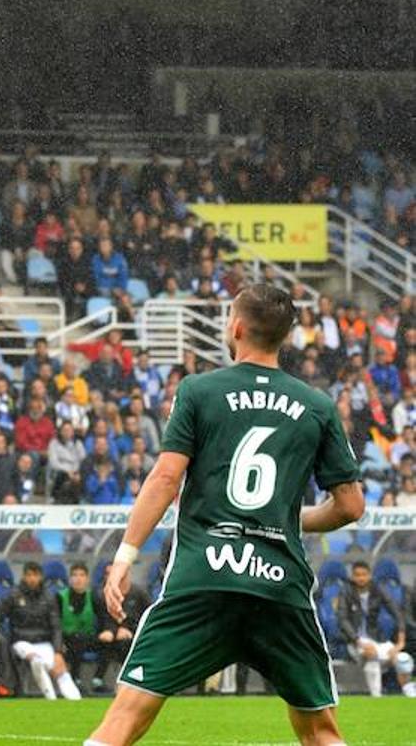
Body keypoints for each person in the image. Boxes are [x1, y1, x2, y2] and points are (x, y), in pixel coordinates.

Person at [88, 284, 366, 746]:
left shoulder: (199, 390)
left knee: (125, 719)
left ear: (235, 327)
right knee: (320, 732)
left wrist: (125, 555)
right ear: (286, 337)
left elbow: (163, 479)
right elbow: (351, 506)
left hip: (203, 577)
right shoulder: (317, 405)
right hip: (279, 584)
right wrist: (286, 519)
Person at [0, 561, 82, 701]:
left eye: (35, 575)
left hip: (44, 642)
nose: (32, 579)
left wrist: (58, 652)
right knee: (36, 661)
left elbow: (56, 627)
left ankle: (76, 701)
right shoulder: (13, 596)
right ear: (24, 576)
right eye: (29, 575)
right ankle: (51, 699)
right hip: (20, 641)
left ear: (41, 577)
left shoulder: (49, 598)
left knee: (60, 670)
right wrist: (7, 640)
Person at [336, 560, 414, 698]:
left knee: (404, 659)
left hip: (376, 638)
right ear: (352, 576)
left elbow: (397, 613)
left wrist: (400, 643)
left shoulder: (377, 590)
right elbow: (343, 620)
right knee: (371, 655)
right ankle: (376, 696)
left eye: (364, 574)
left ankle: (408, 692)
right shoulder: (346, 592)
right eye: (357, 575)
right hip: (353, 642)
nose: (361, 578)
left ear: (370, 575)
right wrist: (359, 641)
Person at [59, 563, 102, 694]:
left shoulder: (93, 596)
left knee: (111, 643)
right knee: (76, 640)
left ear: (88, 579)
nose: (78, 578)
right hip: (66, 639)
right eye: (74, 575)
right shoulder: (60, 597)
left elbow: (103, 617)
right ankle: (75, 679)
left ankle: (98, 680)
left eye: (82, 575)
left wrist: (108, 631)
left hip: (88, 638)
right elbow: (54, 623)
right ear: (70, 579)